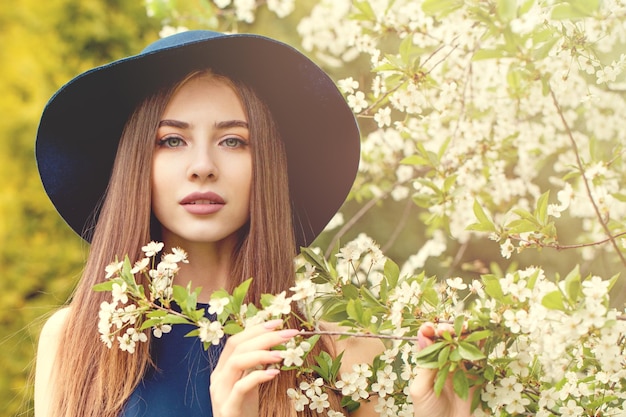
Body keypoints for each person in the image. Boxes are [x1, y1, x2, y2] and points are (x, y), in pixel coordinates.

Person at [33, 30, 473, 417]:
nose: (202, 166)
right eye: (172, 140)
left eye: (232, 141)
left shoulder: (342, 352)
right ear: (135, 166)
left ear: (268, 166)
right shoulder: (75, 342)